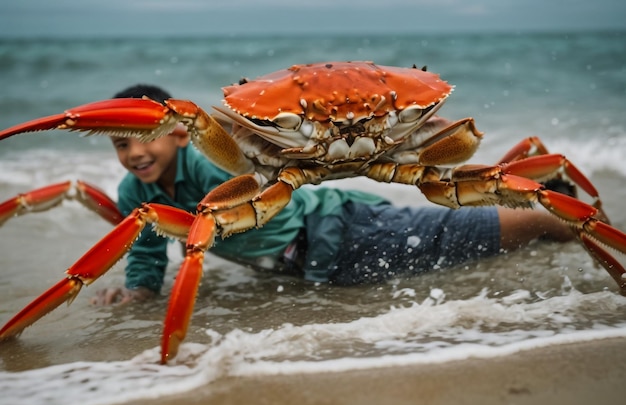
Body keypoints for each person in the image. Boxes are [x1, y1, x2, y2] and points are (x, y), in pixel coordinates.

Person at [92, 84, 574, 305]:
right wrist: (138, 291)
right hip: (319, 248)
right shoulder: (137, 189)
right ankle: (554, 205)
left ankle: (567, 219)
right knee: (445, 236)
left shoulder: (210, 160)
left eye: (144, 136)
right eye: (120, 143)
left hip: (336, 234)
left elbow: (245, 207)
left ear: (178, 134)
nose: (134, 152)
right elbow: (149, 245)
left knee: (483, 231)